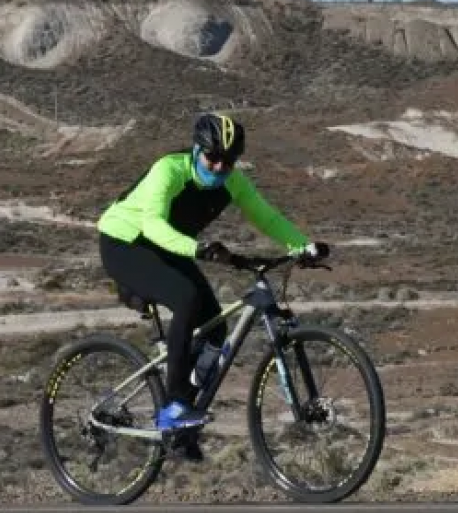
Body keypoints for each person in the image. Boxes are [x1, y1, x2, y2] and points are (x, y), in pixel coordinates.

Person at [96, 112, 327, 459]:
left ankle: (183, 428)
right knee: (186, 298)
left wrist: (302, 246)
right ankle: (173, 408)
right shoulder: (169, 170)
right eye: (212, 157)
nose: (219, 166)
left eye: (228, 161)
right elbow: (153, 225)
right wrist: (199, 249)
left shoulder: (234, 182)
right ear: (196, 150)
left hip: (169, 248)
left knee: (215, 328)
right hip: (126, 242)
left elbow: (268, 218)